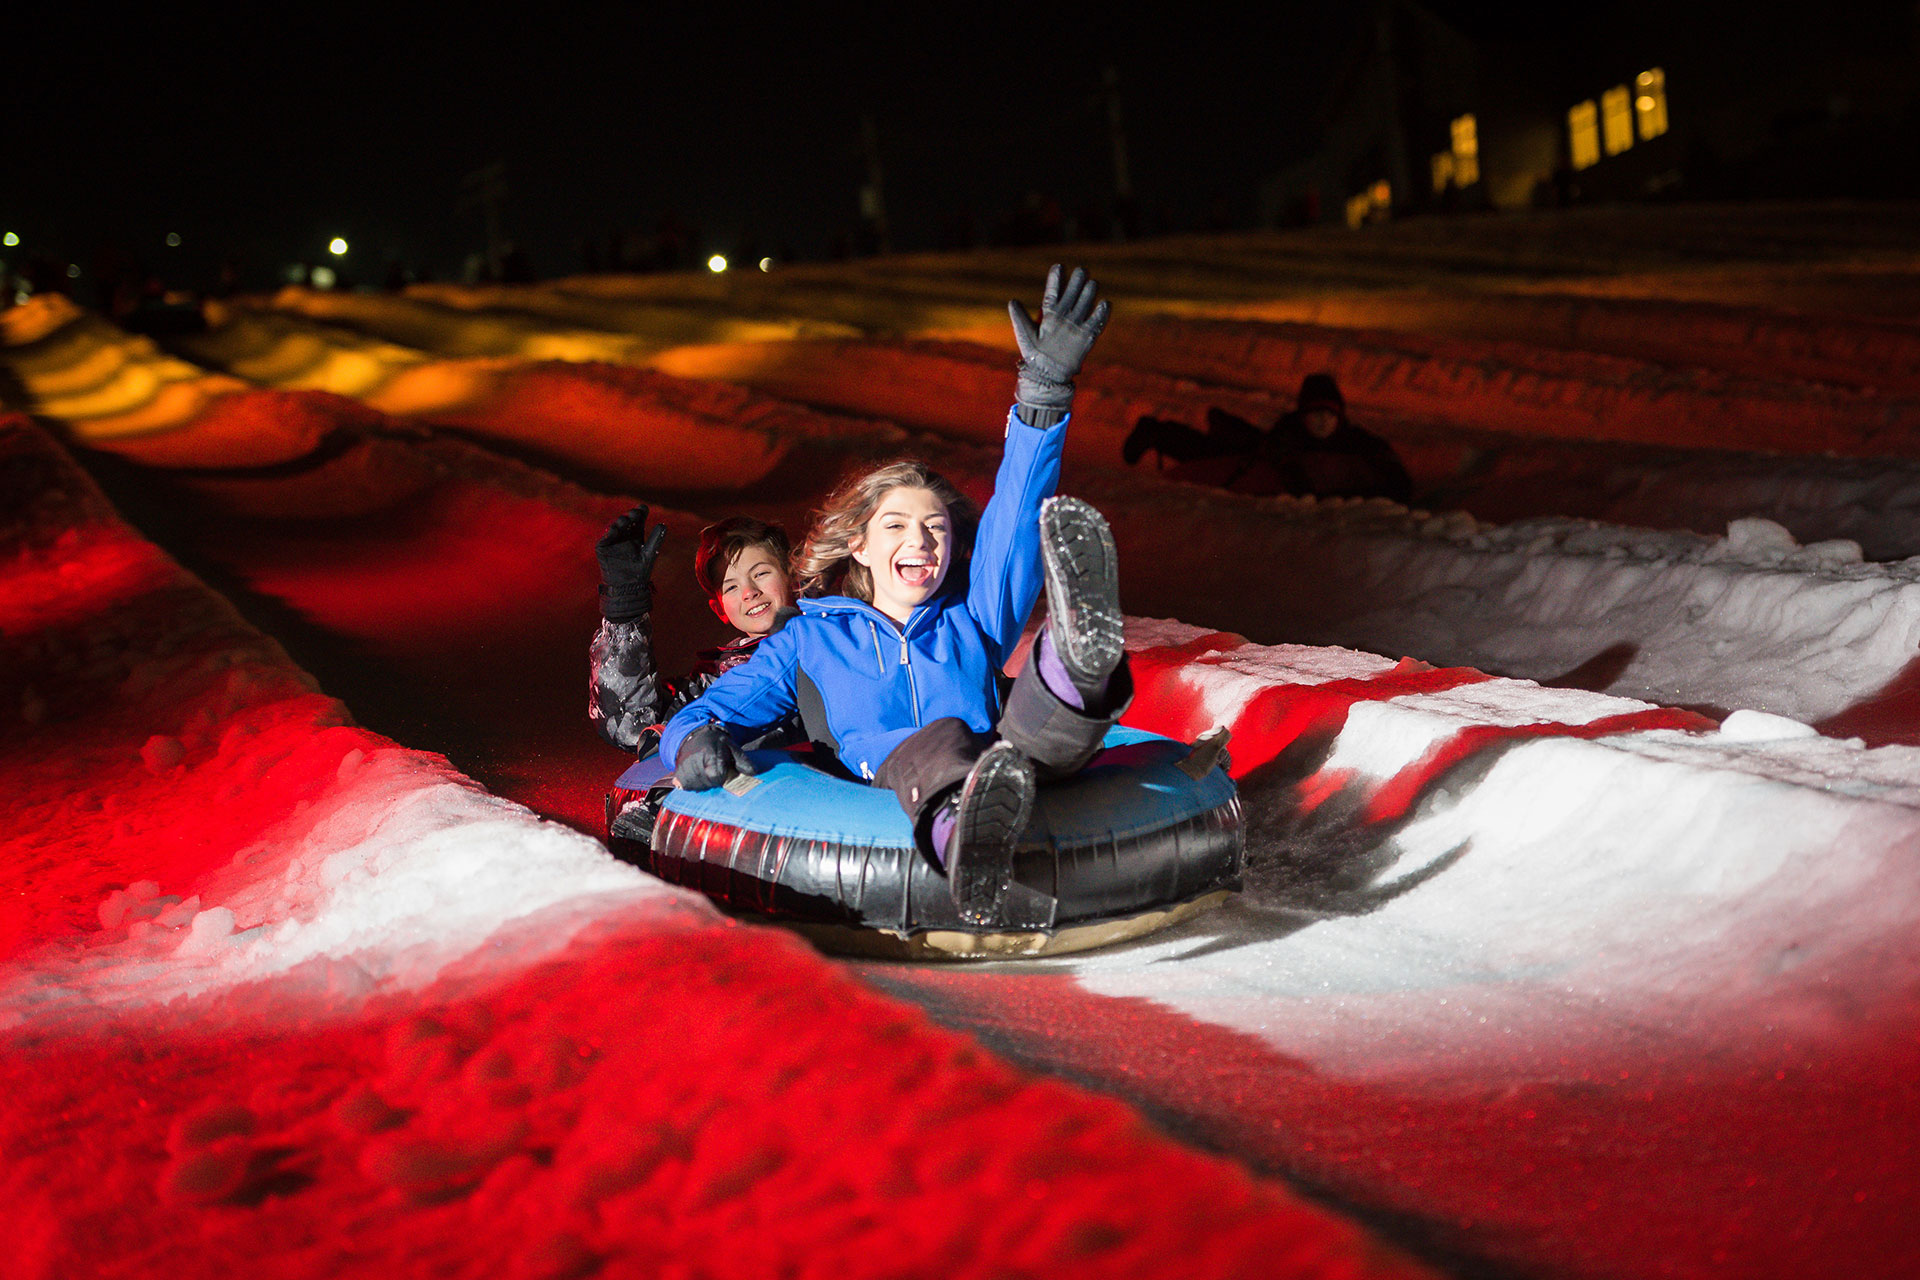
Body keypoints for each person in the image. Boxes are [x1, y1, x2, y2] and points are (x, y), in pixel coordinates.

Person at [659, 266, 1130, 925]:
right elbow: (714, 709)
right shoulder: (810, 639)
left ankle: (1080, 658)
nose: (923, 540)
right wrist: (691, 744)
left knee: (1033, 710)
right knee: (938, 744)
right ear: (859, 545)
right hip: (894, 781)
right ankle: (968, 840)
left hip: (1006, 765)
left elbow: (1015, 525)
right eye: (898, 526)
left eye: (937, 527)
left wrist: (1042, 399)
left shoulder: (972, 618)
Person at [591, 510, 803, 839]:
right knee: (680, 739)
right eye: (731, 587)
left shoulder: (827, 640)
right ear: (720, 609)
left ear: (794, 577)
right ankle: (666, 812)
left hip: (807, 783)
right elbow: (631, 725)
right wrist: (625, 609)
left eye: (761, 574)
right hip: (742, 790)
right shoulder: (714, 678)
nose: (749, 591)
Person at [1123, 372, 1413, 504]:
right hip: (1259, 456)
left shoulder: (1355, 441)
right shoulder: (1288, 434)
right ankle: (1159, 434)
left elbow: (1391, 471)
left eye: (1329, 415)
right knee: (1218, 455)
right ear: (1303, 417)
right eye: (1315, 414)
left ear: (1340, 418)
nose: (1322, 421)